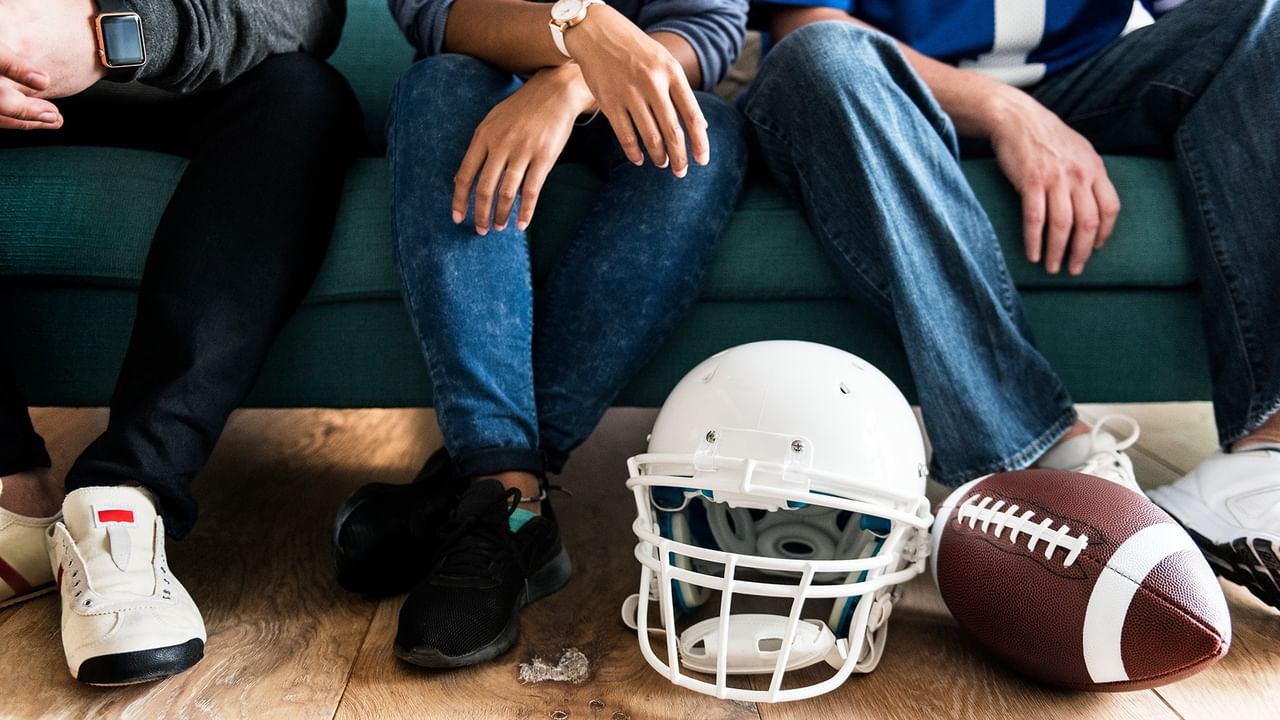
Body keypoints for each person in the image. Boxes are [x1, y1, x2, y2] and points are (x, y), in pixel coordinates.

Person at [740, 0, 1279, 609]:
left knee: (1269, 21)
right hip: (887, 86)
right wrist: (1004, 108)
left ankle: (1261, 465)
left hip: (1083, 82)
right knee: (817, 57)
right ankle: (1046, 464)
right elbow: (807, 21)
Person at [334, 0, 749, 669]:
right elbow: (434, 12)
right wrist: (576, 28)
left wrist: (575, 80)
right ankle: (511, 501)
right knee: (439, 84)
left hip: (635, 81)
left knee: (705, 138)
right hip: (481, 68)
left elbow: (708, 27)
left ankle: (485, 491)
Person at [0, 0, 361, 684]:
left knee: (305, 93)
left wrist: (112, 35)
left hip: (184, 72)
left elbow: (308, 12)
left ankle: (124, 503)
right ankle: (10, 506)